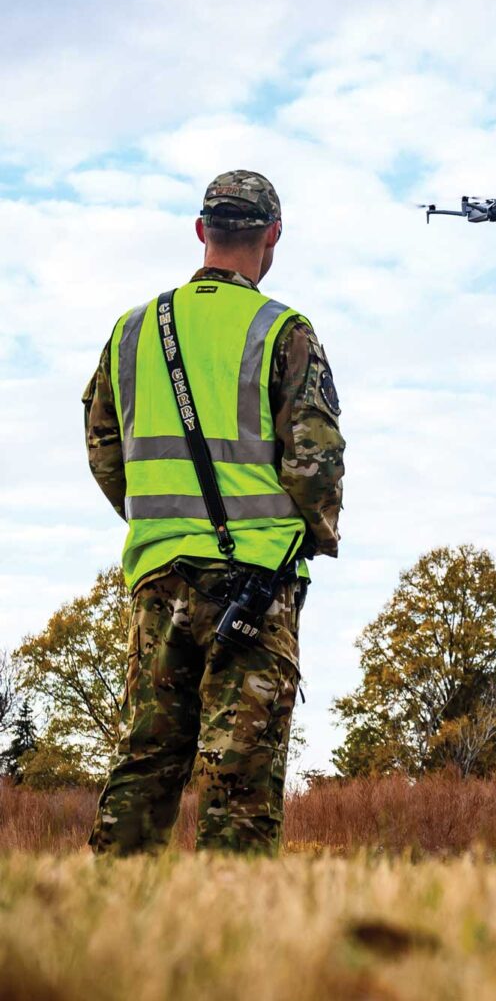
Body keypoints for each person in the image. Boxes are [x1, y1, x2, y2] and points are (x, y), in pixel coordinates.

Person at [83, 171, 345, 854]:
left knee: (145, 761)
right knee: (241, 781)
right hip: (254, 585)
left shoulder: (130, 331)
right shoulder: (284, 330)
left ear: (202, 232)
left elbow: (104, 448)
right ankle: (234, 939)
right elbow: (315, 459)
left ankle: (106, 927)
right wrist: (309, 536)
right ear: (273, 237)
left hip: (156, 577)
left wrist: (155, 520)